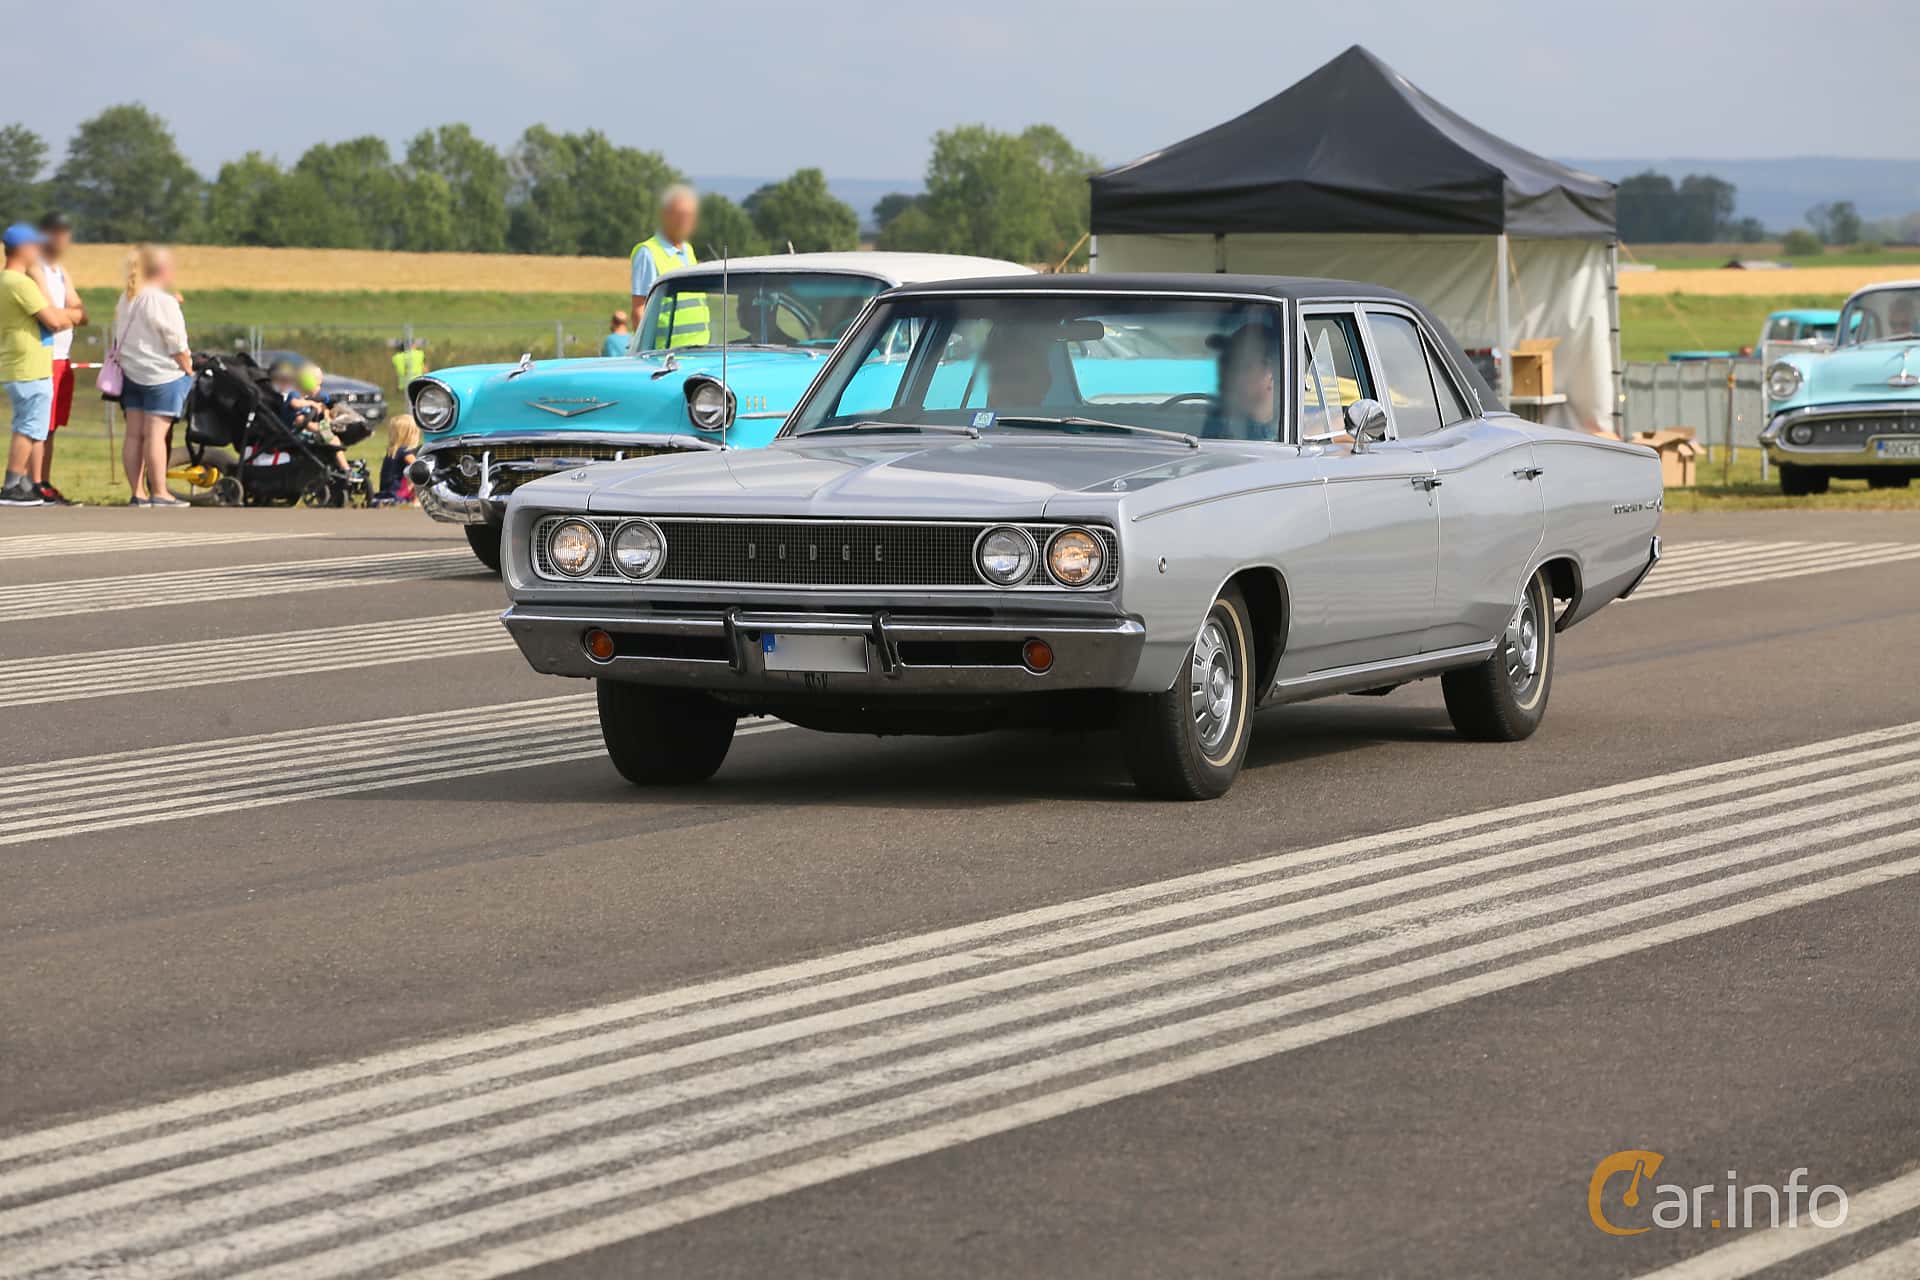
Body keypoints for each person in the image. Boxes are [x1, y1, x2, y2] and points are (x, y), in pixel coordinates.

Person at [1, 223, 83, 507]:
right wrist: (73, 315)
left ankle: (23, 482)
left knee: (30, 424)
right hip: (30, 363)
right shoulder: (20, 283)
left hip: (21, 362)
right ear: (23, 248)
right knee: (29, 426)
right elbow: (55, 320)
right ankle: (12, 484)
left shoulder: (7, 281)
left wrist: (67, 314)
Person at [113, 244, 194, 507]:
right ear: (161, 270)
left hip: (132, 373)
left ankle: (138, 493)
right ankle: (160, 491)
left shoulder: (127, 298)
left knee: (134, 435)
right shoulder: (163, 301)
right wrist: (188, 368)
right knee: (156, 436)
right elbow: (176, 344)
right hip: (162, 376)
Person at [32, 213, 84, 505]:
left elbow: (80, 311)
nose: (64, 239)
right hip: (45, 354)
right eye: (58, 233)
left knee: (51, 427)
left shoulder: (60, 271)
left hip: (63, 356)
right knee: (39, 426)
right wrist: (68, 316)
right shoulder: (35, 267)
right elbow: (50, 317)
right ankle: (32, 482)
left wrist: (69, 315)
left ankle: (44, 480)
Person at [629, 185, 704, 342]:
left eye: (690, 215)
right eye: (680, 215)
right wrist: (648, 351)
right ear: (665, 215)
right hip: (667, 354)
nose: (686, 221)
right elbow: (639, 309)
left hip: (699, 350)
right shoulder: (648, 252)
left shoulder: (688, 250)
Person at [1203, 322, 1280, 441]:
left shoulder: (1292, 437)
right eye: (1225, 362)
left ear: (1271, 375)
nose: (1227, 372)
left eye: (1240, 364)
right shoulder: (1210, 426)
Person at [377, 413, 420, 504]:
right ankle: (416, 501)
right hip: (398, 493)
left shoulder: (392, 451)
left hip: (386, 492)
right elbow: (420, 468)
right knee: (421, 475)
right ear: (411, 434)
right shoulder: (405, 453)